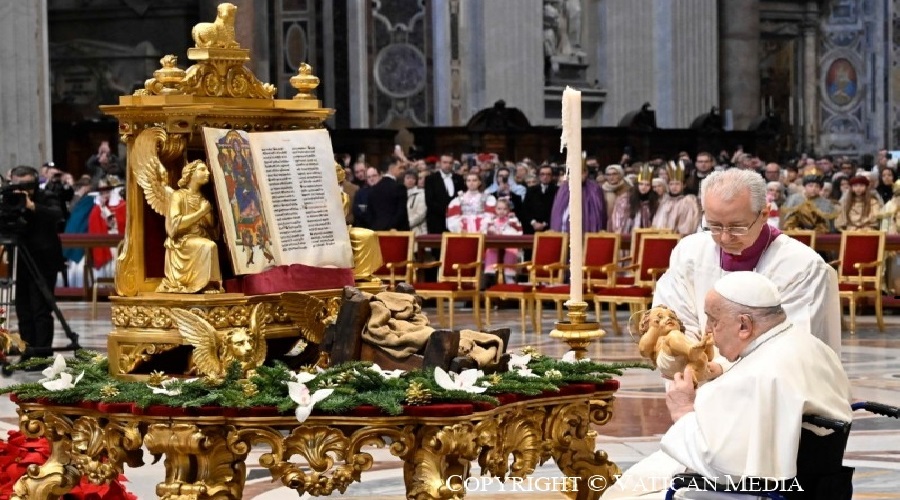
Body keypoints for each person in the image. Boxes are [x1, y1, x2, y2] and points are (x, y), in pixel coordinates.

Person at [606, 272, 852, 499]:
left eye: (713, 321)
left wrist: (683, 411)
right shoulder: (807, 345)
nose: (708, 331)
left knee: (620, 496)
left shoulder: (760, 376)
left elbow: (720, 464)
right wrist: (721, 367)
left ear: (744, 325)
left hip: (744, 492)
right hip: (812, 481)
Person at [653, 168, 842, 359]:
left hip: (768, 384)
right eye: (714, 226)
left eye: (737, 227)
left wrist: (718, 369)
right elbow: (675, 319)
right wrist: (687, 362)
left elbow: (792, 347)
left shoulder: (801, 267)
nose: (725, 237)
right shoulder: (689, 253)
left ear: (764, 215)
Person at [6, 166, 65, 361]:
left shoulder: (47, 196)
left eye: (28, 184)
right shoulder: (9, 197)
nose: (24, 189)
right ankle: (27, 350)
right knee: (23, 309)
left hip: (44, 260)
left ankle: (41, 353)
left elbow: (58, 214)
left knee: (40, 309)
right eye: (18, 184)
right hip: (20, 259)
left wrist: (33, 207)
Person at [157, 160, 223, 293]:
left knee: (209, 244)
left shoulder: (203, 198)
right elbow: (174, 225)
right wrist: (201, 212)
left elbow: (212, 228)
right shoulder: (178, 196)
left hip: (200, 238)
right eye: (202, 170)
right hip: (182, 242)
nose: (207, 173)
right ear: (191, 174)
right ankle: (206, 284)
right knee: (209, 246)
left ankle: (209, 283)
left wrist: (208, 215)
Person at [424, 154, 465, 234]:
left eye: (450, 163)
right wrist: (446, 212)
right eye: (445, 162)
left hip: (455, 220)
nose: (447, 165)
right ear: (440, 163)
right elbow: (429, 201)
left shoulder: (459, 178)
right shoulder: (431, 179)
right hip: (437, 220)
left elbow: (461, 196)